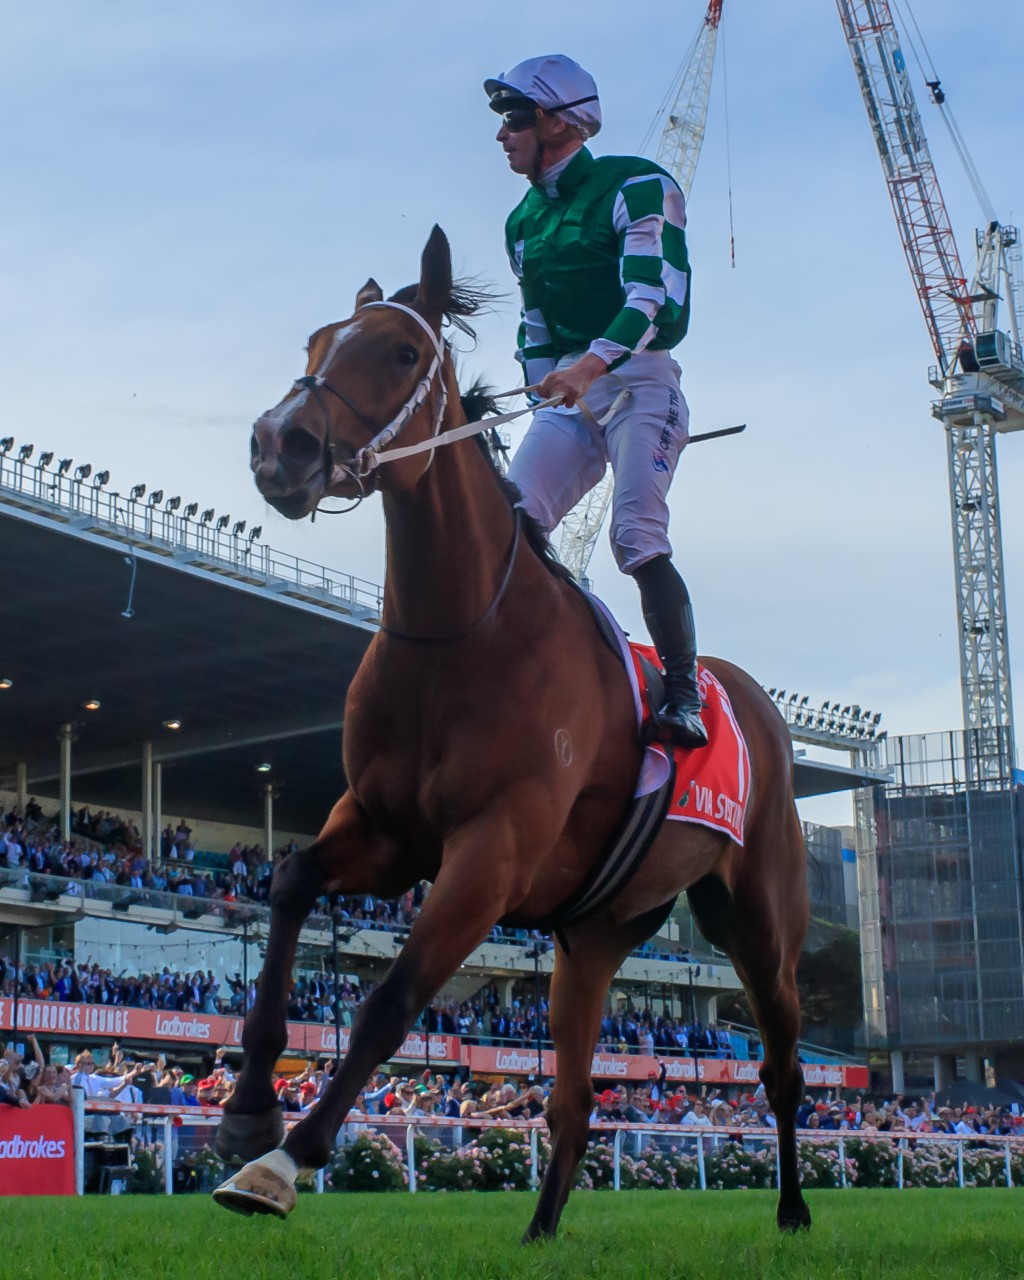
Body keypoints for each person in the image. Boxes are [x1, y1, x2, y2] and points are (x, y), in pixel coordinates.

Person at [487, 53, 706, 747]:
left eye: (514, 119)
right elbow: (535, 325)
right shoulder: (522, 222)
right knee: (508, 526)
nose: (502, 135)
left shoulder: (637, 185)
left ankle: (684, 694)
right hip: (571, 395)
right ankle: (522, 670)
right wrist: (541, 383)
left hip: (642, 383)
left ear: (556, 123)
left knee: (635, 535)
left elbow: (650, 298)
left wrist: (586, 367)